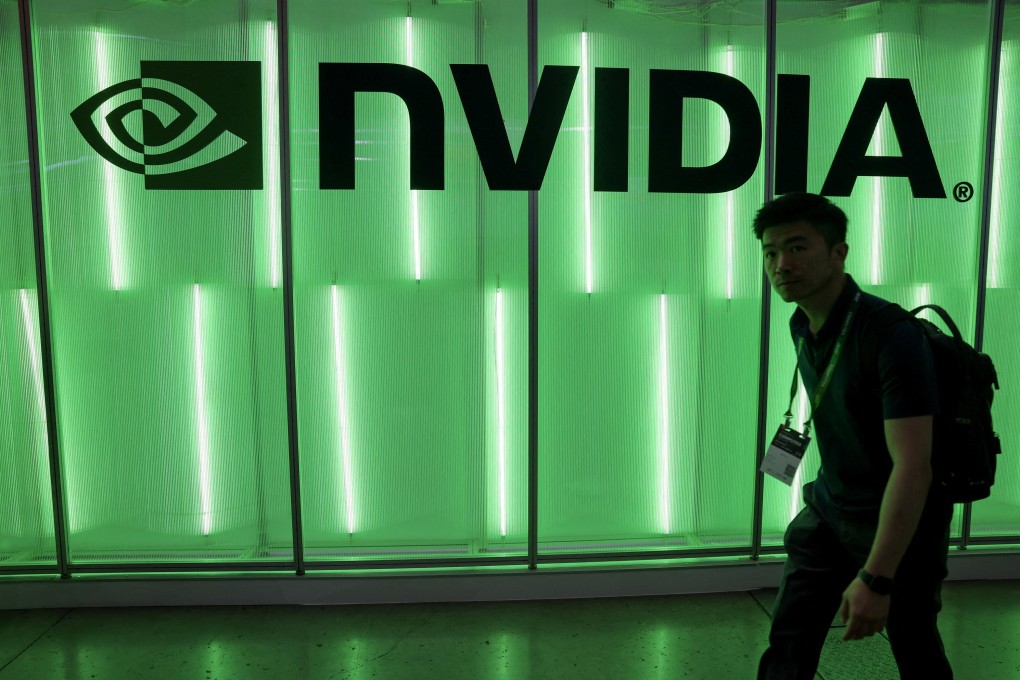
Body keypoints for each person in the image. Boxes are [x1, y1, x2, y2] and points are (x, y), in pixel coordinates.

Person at [753, 192, 955, 679]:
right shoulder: (801, 322)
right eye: (771, 252)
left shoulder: (890, 335)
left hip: (897, 520)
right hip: (830, 509)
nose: (782, 264)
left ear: (839, 253)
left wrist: (877, 577)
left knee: (915, 646)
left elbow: (913, 466)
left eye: (798, 248)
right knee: (788, 641)